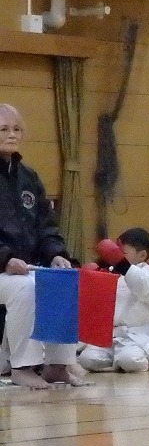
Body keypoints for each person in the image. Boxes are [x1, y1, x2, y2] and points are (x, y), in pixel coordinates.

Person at [0, 103, 82, 389]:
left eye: (16, 129)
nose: (12, 134)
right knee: (25, 288)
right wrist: (5, 259)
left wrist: (56, 253)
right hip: (5, 270)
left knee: (63, 279)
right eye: (4, 129)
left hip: (25, 268)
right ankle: (22, 367)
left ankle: (58, 366)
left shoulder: (29, 177)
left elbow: (46, 226)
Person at [78, 228, 149, 373]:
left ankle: (142, 361)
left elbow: (144, 287)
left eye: (122, 254)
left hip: (135, 336)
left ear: (142, 255)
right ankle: (115, 363)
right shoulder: (111, 273)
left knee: (130, 360)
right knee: (87, 359)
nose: (117, 257)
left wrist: (124, 266)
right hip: (110, 335)